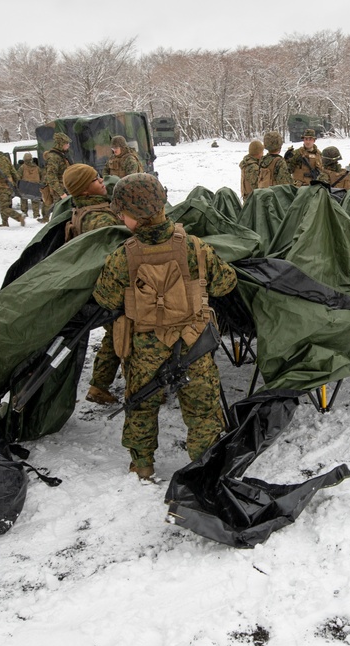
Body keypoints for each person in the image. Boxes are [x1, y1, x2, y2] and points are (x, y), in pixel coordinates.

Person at [92, 173, 238, 481]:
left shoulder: (122, 256)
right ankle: (206, 469)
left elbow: (105, 298)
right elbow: (226, 283)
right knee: (202, 410)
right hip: (194, 344)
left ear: (130, 215)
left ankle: (141, 465)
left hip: (144, 346)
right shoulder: (196, 247)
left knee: (141, 406)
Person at [62, 164, 124, 405]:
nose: (101, 181)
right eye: (95, 180)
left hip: (101, 288)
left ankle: (99, 385)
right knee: (126, 334)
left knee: (114, 335)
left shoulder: (83, 209)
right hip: (111, 288)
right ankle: (141, 391)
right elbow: (119, 252)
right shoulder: (99, 218)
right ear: (84, 191)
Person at [42, 132, 73, 219]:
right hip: (60, 192)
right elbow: (51, 177)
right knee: (60, 217)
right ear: (60, 144)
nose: (68, 145)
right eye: (66, 143)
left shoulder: (62, 155)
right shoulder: (53, 157)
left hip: (66, 189)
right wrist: (61, 193)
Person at [18, 153, 42, 220]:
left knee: (23, 200)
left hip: (25, 186)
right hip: (35, 186)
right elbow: (41, 176)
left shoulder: (22, 167)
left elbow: (18, 177)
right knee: (35, 201)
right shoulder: (37, 168)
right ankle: (36, 214)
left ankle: (24, 213)